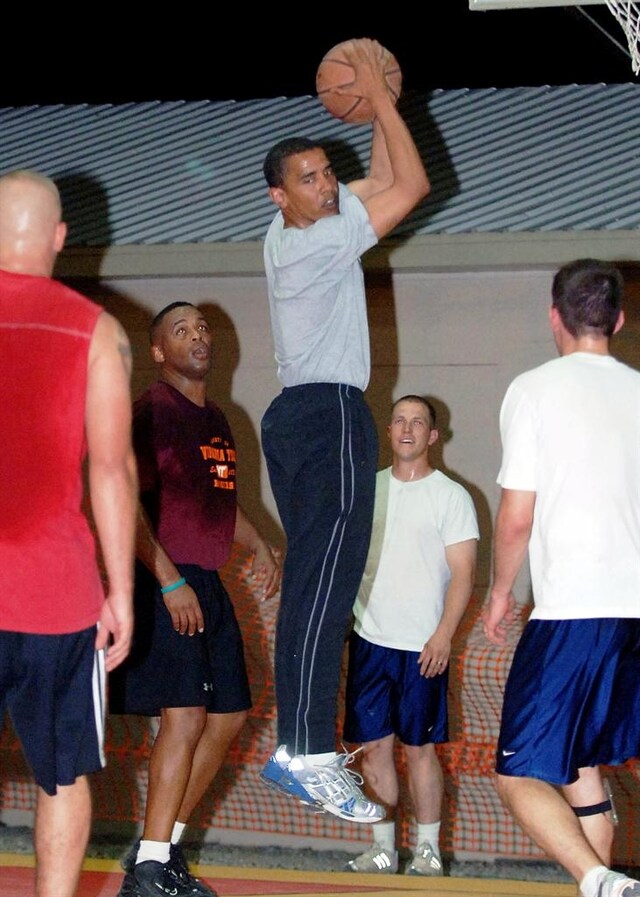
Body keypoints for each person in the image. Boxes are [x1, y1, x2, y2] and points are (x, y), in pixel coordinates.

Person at [259, 38, 431, 823]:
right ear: (278, 195)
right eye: (309, 178)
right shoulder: (321, 240)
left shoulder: (304, 226)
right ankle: (303, 748)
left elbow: (387, 179)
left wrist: (368, 109)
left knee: (317, 584)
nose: (326, 186)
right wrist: (380, 95)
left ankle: (300, 744)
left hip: (306, 416)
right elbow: (414, 184)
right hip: (326, 414)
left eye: (329, 172)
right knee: (323, 586)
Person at [110, 301, 280, 897]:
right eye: (181, 331)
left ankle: (160, 848)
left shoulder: (218, 419)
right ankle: (151, 870)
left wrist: (256, 539)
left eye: (202, 327)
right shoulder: (149, 413)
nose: (197, 336)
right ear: (159, 351)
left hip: (205, 581)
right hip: (166, 579)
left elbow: (214, 502)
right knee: (183, 715)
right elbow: (123, 505)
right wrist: (168, 579)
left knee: (230, 714)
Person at [483, 259, 640, 897]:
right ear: (620, 321)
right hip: (635, 610)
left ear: (555, 317)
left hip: (575, 610)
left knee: (518, 771)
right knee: (582, 764)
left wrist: (499, 592)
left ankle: (599, 879)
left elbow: (517, 516)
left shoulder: (535, 388)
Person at [0, 169, 137, 897]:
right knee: (62, 774)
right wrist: (121, 591)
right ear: (59, 238)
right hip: (56, 597)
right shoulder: (98, 330)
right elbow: (110, 470)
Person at [343, 395, 478, 874]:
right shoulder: (367, 490)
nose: (407, 428)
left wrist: (443, 635)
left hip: (424, 647)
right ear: (388, 430)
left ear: (432, 436)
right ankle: (382, 849)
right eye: (399, 419)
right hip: (370, 641)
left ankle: (427, 850)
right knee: (374, 748)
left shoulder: (452, 497)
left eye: (418, 422)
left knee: (421, 749)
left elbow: (463, 574)